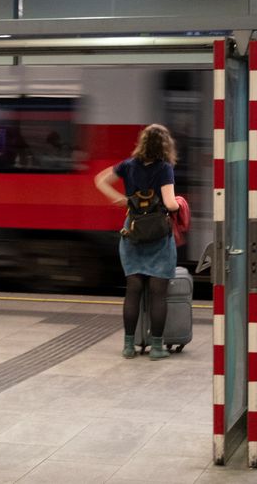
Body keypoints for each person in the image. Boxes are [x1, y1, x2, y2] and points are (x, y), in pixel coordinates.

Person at [95, 123, 180, 360]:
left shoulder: (127, 165)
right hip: (157, 235)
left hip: (132, 231)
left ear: (142, 142)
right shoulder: (164, 168)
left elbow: (100, 180)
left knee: (133, 290)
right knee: (157, 293)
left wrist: (121, 199)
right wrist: (179, 203)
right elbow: (171, 203)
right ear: (165, 145)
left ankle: (129, 346)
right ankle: (156, 347)